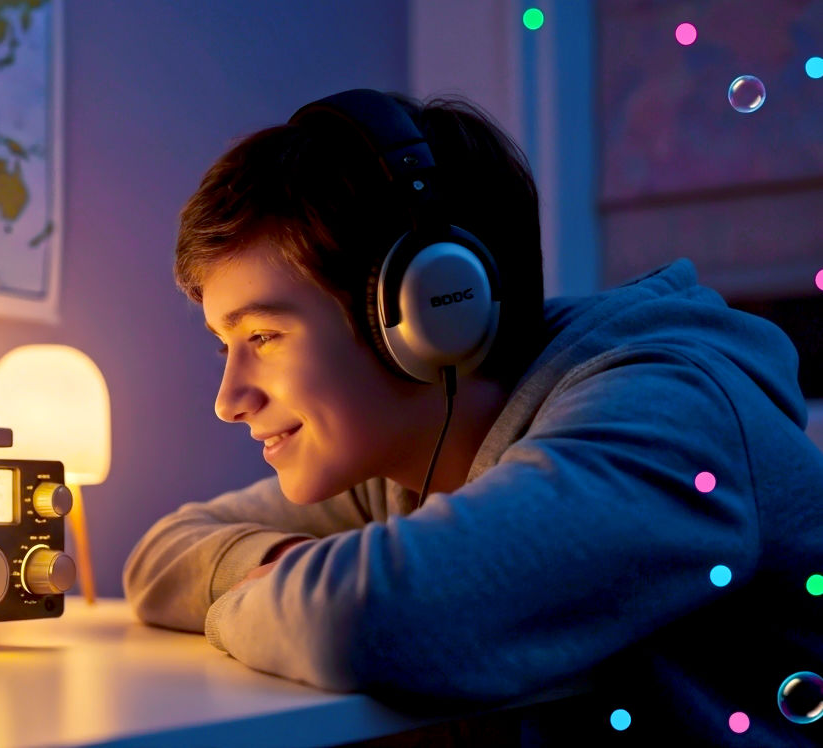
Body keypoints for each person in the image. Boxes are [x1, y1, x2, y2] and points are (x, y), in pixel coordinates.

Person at [122, 88, 823, 746]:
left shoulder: (669, 422)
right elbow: (163, 557)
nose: (228, 398)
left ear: (432, 306)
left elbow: (361, 618)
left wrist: (292, 592)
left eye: (264, 338)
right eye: (225, 345)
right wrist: (282, 564)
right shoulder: (405, 461)